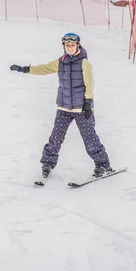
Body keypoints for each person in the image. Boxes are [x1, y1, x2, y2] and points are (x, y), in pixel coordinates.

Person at [10, 32, 113, 178]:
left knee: (90, 138)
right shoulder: (60, 61)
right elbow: (44, 68)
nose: (70, 48)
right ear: (64, 46)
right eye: (67, 45)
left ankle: (103, 165)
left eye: (72, 45)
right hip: (63, 107)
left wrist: (88, 102)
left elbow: (90, 84)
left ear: (78, 45)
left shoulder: (84, 63)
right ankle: (47, 163)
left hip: (81, 108)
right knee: (56, 137)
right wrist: (26, 69)